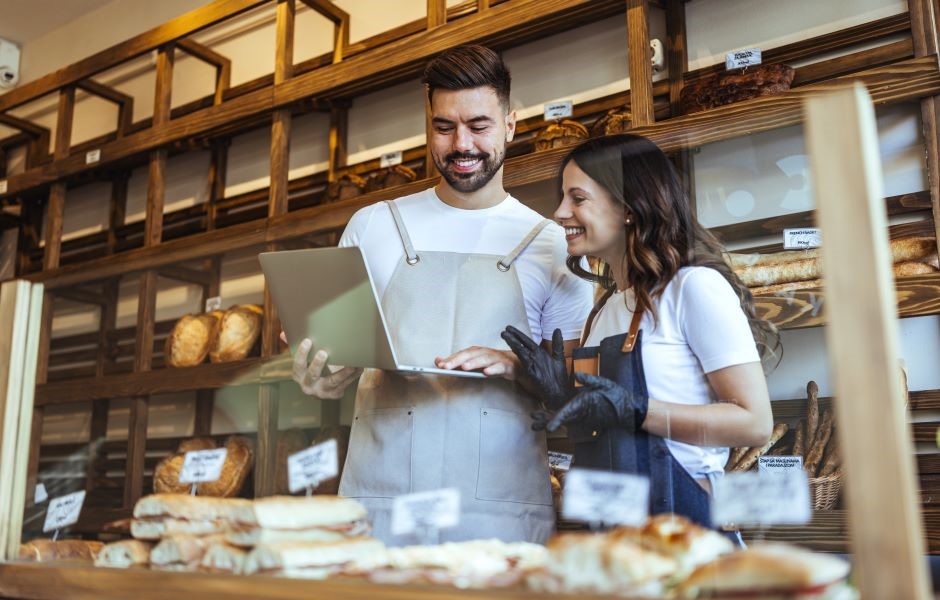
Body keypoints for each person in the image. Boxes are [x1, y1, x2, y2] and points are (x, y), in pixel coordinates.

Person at [290, 45, 593, 544]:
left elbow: (577, 385)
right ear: (427, 127)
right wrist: (320, 377)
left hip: (498, 515)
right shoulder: (372, 226)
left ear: (511, 125)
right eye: (444, 127)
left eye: (479, 125)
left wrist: (517, 366)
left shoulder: (552, 243)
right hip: (380, 507)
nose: (461, 144)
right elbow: (332, 368)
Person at [503, 134, 779, 528]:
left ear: (628, 206)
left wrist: (638, 411)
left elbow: (754, 423)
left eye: (577, 198)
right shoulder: (605, 308)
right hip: (612, 530)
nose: (560, 213)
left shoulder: (692, 287)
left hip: (681, 526)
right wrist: (561, 396)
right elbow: (609, 428)